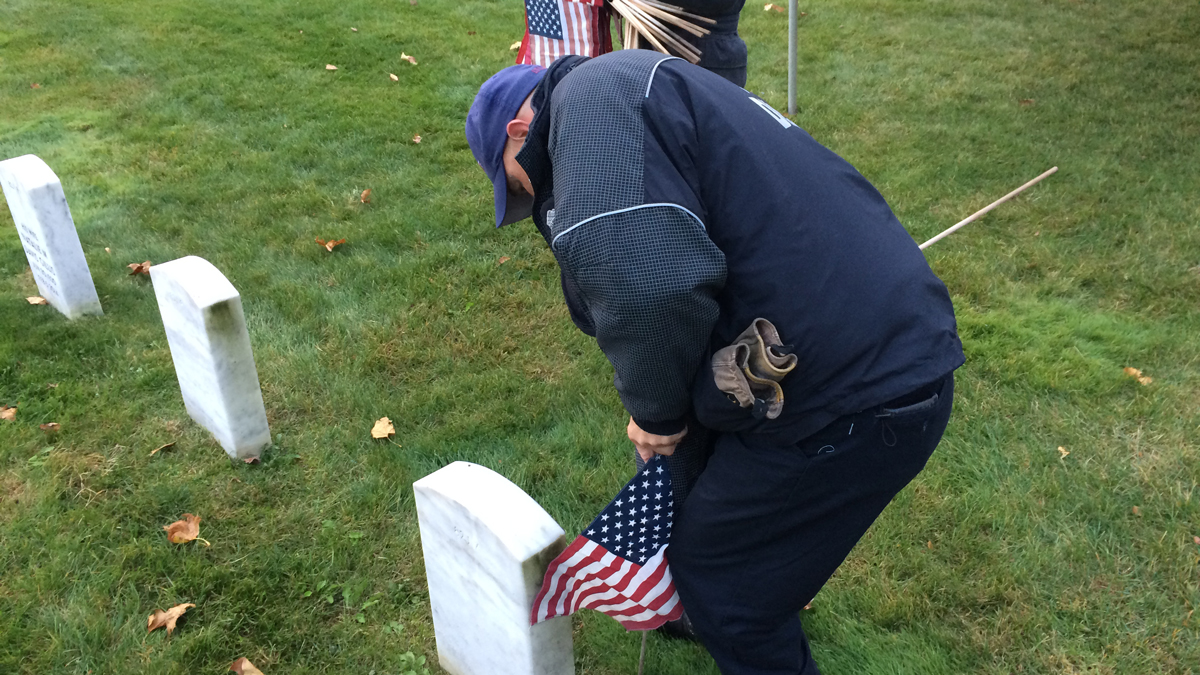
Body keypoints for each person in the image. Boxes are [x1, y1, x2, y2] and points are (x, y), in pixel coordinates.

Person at [465, 51, 964, 675]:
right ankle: (738, 593)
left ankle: (736, 606)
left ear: (519, 133)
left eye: (520, 184)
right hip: (888, 340)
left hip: (850, 388)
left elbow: (645, 286)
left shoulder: (585, 110)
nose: (538, 196)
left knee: (723, 582)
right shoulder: (637, 80)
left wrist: (658, 415)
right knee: (716, 531)